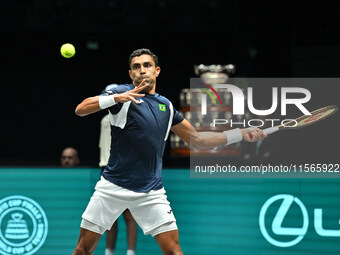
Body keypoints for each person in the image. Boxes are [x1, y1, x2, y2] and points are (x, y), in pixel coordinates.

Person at [72, 48, 267, 255]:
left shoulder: (166, 106)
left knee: (174, 250)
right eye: (136, 67)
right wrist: (116, 98)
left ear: (157, 71)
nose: (142, 71)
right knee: (83, 249)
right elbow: (81, 108)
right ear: (130, 74)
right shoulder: (122, 93)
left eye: (147, 65)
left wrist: (239, 133)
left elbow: (199, 140)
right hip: (112, 186)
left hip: (151, 192)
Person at [99, 86, 137, 255]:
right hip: (107, 169)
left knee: (129, 215)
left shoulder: (129, 118)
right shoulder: (104, 121)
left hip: (125, 169)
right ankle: (109, 252)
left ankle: (130, 253)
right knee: (110, 217)